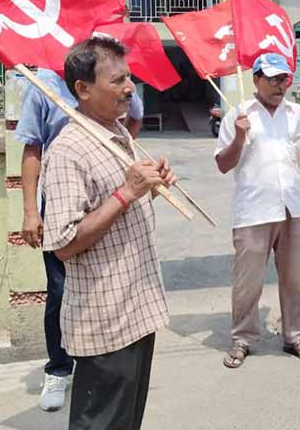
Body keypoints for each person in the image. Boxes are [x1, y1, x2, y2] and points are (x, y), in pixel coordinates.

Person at [42, 36, 173, 430]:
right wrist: (127, 192)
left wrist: (150, 185)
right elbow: (64, 244)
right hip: (105, 318)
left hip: (136, 307)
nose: (130, 88)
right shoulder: (69, 149)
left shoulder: (117, 132)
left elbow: (123, 208)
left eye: (128, 78)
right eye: (117, 81)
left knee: (126, 421)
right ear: (83, 89)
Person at [16, 67, 144, 412]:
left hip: (110, 192)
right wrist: (31, 211)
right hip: (63, 198)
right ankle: (59, 369)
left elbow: (130, 125)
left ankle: (107, 362)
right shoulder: (43, 84)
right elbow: (33, 147)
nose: (127, 87)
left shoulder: (109, 74)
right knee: (61, 289)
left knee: (113, 283)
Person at [216, 53, 300, 369]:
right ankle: (243, 338)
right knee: (248, 280)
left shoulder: (298, 113)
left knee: (296, 279)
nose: (281, 85)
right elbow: (223, 164)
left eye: (285, 78)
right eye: (274, 78)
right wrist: (239, 136)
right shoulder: (239, 115)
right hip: (254, 209)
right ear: (257, 80)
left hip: (293, 206)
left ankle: (296, 337)